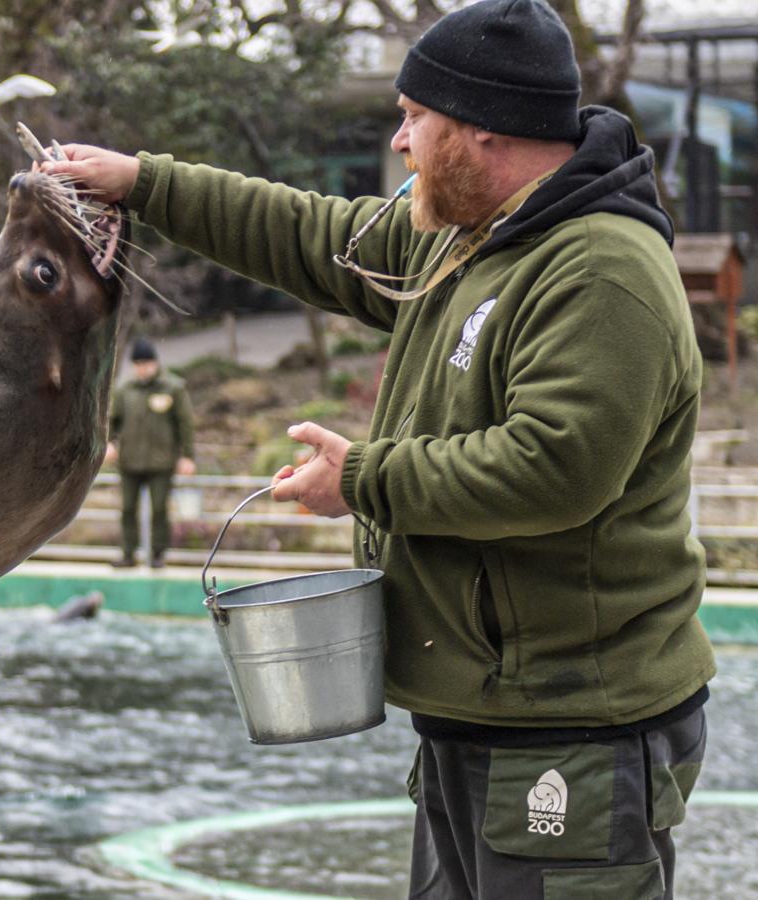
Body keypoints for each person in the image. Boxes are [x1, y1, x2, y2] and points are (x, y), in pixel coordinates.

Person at [44, 0, 714, 896]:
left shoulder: (600, 270)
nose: (399, 142)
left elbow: (554, 470)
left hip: (573, 731)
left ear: (479, 130)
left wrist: (362, 479)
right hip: (475, 716)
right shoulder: (464, 240)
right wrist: (146, 185)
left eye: (414, 118)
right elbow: (311, 234)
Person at [107, 337, 196, 568]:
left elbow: (185, 424)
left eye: (146, 363)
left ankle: (158, 553)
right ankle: (128, 553)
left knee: (159, 509)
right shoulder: (125, 389)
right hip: (130, 461)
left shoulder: (173, 387)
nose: (142, 368)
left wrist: (188, 456)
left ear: (155, 363)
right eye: (138, 364)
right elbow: (112, 421)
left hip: (161, 461)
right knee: (127, 509)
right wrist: (108, 443)